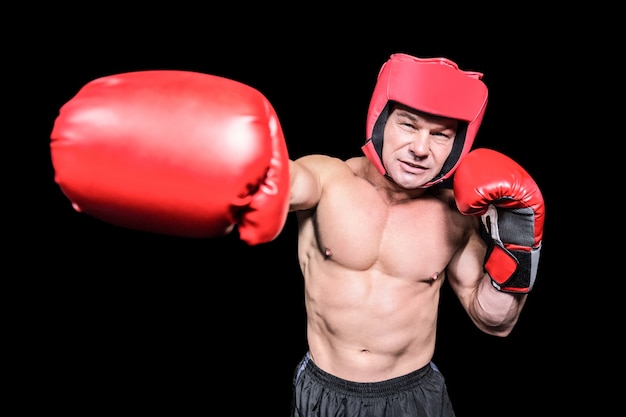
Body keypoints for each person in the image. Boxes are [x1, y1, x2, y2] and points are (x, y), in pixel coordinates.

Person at [50, 53, 545, 416]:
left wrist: (522, 240)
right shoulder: (327, 179)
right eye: (408, 125)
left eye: (440, 135)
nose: (420, 148)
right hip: (325, 391)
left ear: (459, 144)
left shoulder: (456, 217)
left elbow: (495, 322)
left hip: (416, 395)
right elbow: (282, 181)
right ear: (380, 121)